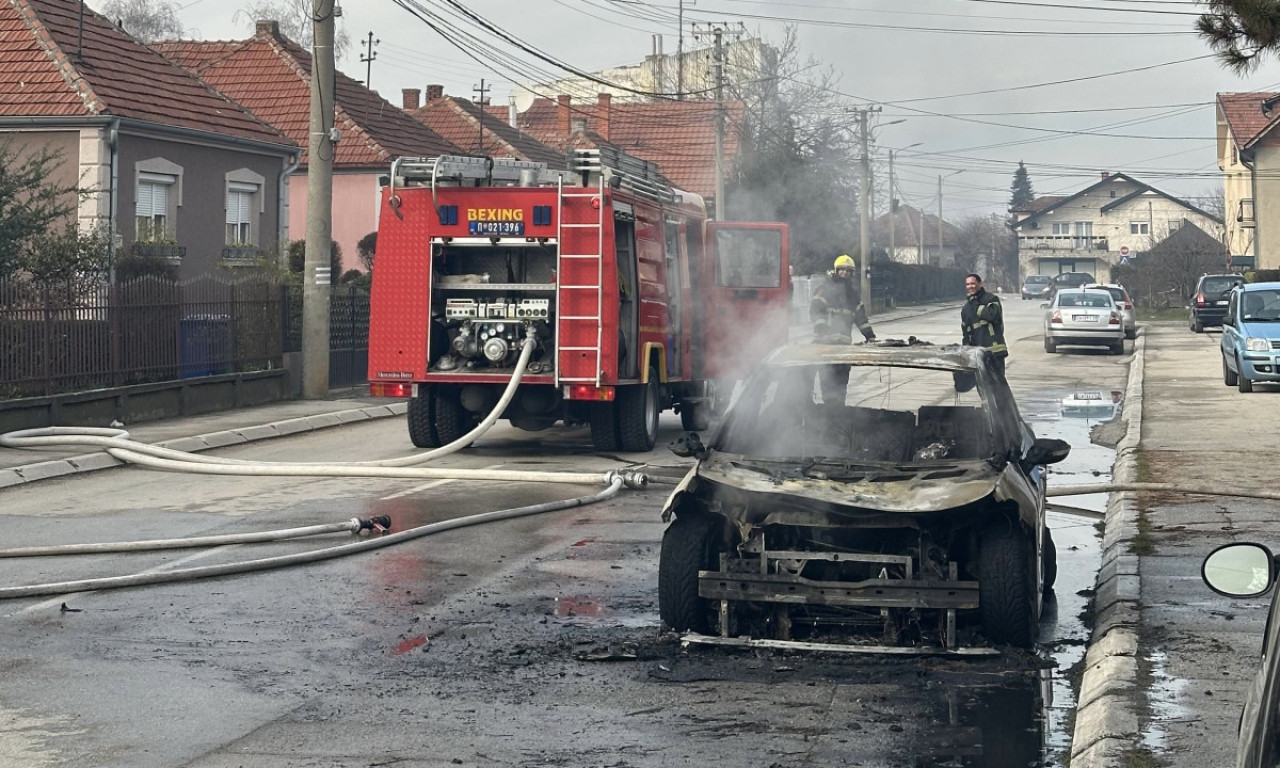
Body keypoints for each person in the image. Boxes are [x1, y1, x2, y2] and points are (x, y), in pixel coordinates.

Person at [810, 255, 876, 405]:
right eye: (842, 270)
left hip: (843, 348)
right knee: (827, 383)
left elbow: (861, 318)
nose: (845, 273)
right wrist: (821, 329)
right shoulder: (823, 290)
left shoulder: (852, 295)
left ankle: (838, 411)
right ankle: (829, 412)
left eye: (848, 271)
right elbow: (815, 311)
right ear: (836, 271)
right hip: (824, 346)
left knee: (841, 385)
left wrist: (870, 336)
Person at [961, 273, 1008, 378]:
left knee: (998, 385)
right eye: (968, 284)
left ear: (980, 284)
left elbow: (993, 315)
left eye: (973, 283)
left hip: (995, 353)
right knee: (983, 387)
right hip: (978, 355)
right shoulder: (966, 308)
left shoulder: (991, 299)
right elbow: (966, 334)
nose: (970, 286)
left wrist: (976, 305)